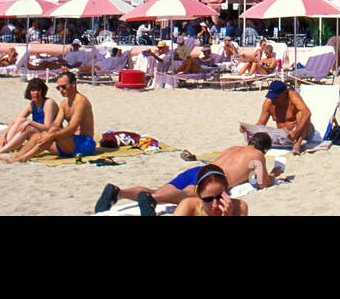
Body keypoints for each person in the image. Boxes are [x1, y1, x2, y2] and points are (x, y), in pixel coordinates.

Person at [94, 132, 281, 215]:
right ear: (264, 149)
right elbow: (263, 182)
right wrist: (274, 175)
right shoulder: (257, 155)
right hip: (214, 178)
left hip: (199, 169)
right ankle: (154, 199)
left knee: (159, 189)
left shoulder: (233, 148)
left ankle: (119, 193)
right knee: (184, 195)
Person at [1, 71, 95, 162]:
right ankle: (17, 156)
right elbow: (56, 124)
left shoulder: (81, 102)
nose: (61, 90)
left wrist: (51, 135)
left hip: (84, 144)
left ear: (73, 84)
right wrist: (48, 134)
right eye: (58, 88)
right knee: (38, 136)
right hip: (69, 143)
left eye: (63, 87)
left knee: (53, 132)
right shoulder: (64, 103)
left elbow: (71, 128)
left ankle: (25, 157)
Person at [0, 78, 59, 158]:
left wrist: (30, 122)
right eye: (33, 90)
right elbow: (16, 120)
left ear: (42, 91)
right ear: (29, 92)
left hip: (50, 136)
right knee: (21, 120)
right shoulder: (33, 104)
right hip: (38, 134)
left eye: (38, 90)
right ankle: (5, 146)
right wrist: (4, 134)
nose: (35, 93)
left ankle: (3, 149)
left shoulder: (48, 103)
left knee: (27, 127)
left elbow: (47, 128)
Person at [240, 80, 313, 154]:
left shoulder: (292, 96)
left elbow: (307, 113)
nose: (273, 99)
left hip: (302, 133)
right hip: (283, 137)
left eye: (275, 96)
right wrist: (247, 129)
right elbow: (261, 123)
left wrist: (296, 133)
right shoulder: (268, 103)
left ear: (284, 93)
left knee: (301, 114)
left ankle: (298, 143)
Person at [172, 164, 248, 216]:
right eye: (208, 199)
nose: (215, 205)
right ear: (198, 194)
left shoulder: (239, 208)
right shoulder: (188, 206)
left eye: (219, 197)